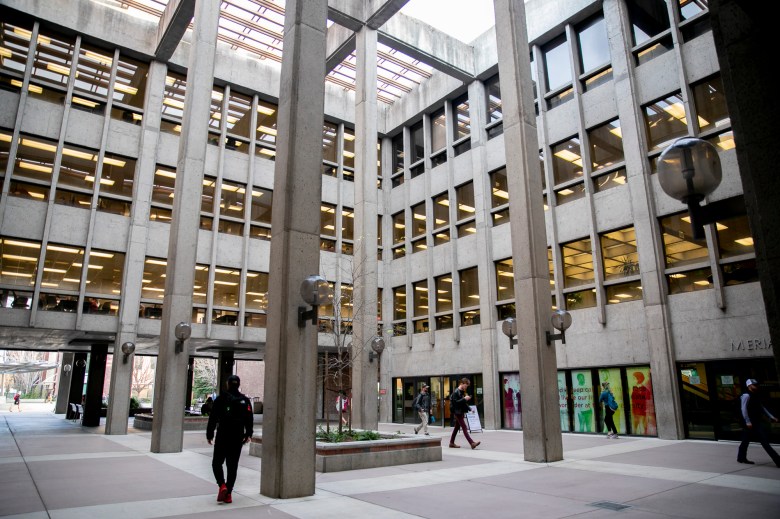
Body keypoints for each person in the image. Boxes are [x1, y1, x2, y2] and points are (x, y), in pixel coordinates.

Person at [206, 375, 254, 504]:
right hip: (237, 436)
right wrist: (248, 433)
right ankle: (228, 494)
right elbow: (249, 418)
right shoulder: (245, 400)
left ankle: (222, 485)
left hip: (223, 435)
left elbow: (213, 418)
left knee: (217, 463)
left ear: (228, 384)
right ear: (238, 384)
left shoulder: (221, 399)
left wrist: (209, 434)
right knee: (232, 466)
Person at [737, 379, 780, 467]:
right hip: (750, 423)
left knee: (745, 441)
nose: (756, 386)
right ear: (749, 385)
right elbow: (743, 409)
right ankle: (778, 461)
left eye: (756, 384)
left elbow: (762, 407)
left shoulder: (755, 395)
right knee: (764, 442)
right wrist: (748, 421)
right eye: (754, 385)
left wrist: (772, 417)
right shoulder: (746, 395)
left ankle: (741, 458)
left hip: (756, 421)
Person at [449, 378, 480, 449]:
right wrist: (464, 399)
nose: (466, 387)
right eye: (466, 385)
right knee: (464, 427)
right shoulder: (456, 392)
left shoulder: (461, 391)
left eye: (467, 386)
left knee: (456, 428)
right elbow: (456, 403)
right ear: (462, 384)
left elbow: (463, 403)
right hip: (457, 412)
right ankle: (472, 443)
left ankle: (451, 443)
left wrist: (470, 409)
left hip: (460, 412)